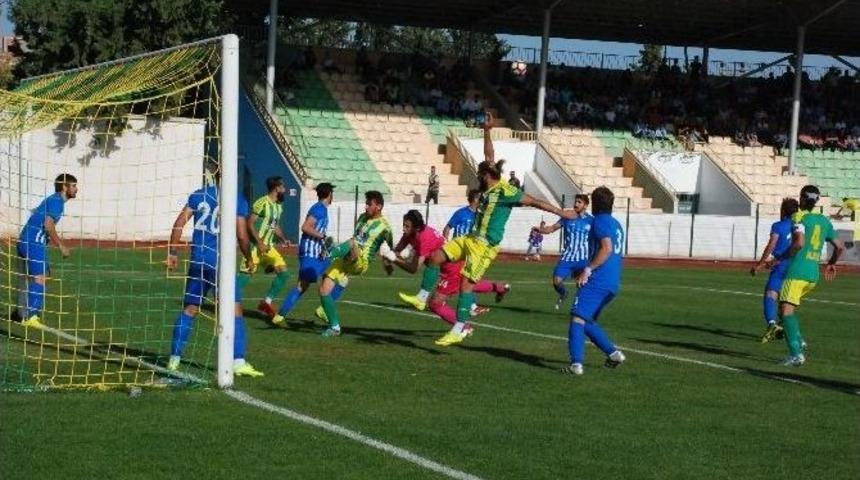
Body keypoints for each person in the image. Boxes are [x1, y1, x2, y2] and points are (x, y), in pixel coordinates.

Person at [418, 117, 578, 346]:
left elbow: (535, 202)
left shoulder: (507, 191)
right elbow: (489, 156)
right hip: (471, 238)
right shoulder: (490, 180)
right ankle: (422, 297)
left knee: (466, 285)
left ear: (487, 176)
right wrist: (487, 131)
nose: (477, 178)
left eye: (480, 175)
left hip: (485, 245)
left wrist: (562, 213)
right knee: (435, 257)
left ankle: (459, 328)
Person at [166, 184, 263, 377]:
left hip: (198, 261)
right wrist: (249, 257)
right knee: (234, 310)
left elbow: (178, 224)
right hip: (222, 263)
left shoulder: (199, 194)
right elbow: (242, 235)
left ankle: (174, 359)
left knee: (190, 309)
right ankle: (238, 361)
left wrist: (173, 252)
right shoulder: (236, 198)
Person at [776, 185, 845, 366]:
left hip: (797, 272)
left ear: (801, 198)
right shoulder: (824, 220)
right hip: (812, 275)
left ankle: (796, 354)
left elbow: (798, 243)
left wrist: (781, 257)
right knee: (785, 309)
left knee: (785, 311)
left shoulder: (798, 217)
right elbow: (840, 247)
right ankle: (800, 341)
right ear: (817, 201)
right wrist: (831, 264)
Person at [564, 187, 626, 376]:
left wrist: (588, 270)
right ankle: (613, 354)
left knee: (577, 318)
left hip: (598, 279)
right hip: (613, 281)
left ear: (595, 203)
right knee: (586, 320)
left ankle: (576, 365)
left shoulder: (599, 222)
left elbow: (606, 249)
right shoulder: (616, 224)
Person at [316, 191, 394, 337]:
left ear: (379, 206)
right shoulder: (362, 218)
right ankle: (334, 327)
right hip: (346, 257)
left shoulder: (385, 227)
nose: (366, 207)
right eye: (366, 203)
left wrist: (387, 263)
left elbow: (390, 247)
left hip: (361, 261)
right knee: (323, 290)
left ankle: (329, 252)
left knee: (352, 243)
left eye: (369, 204)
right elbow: (356, 237)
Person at [271, 183, 345, 327]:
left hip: (317, 255)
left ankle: (323, 310)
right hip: (310, 255)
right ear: (330, 194)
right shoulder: (318, 209)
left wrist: (324, 246)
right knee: (301, 286)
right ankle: (279, 316)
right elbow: (305, 227)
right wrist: (322, 236)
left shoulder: (321, 209)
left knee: (342, 277)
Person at [16, 173, 77, 328]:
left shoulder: (53, 199)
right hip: (33, 242)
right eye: (74, 186)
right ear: (64, 187)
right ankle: (31, 316)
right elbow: (48, 225)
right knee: (39, 278)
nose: (77, 189)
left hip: (27, 241)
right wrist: (61, 246)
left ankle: (21, 313)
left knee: (36, 276)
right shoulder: (57, 202)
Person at [750, 198, 798, 342]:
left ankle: (772, 324)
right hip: (796, 266)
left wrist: (760, 264)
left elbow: (772, 245)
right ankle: (792, 334)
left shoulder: (778, 226)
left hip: (781, 265)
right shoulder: (799, 226)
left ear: (783, 210)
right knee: (787, 301)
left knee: (771, 293)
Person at [533, 194, 592, 310]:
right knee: (556, 281)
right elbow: (552, 228)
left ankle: (578, 306)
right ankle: (564, 293)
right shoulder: (567, 218)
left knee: (581, 284)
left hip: (583, 259)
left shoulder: (591, 221)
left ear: (585, 205)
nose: (576, 204)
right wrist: (541, 230)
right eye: (575, 202)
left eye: (579, 202)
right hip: (567, 257)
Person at [250, 176, 292, 318]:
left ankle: (266, 302)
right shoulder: (262, 202)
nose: (285, 190)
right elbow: (249, 223)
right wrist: (259, 242)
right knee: (244, 276)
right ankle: (225, 301)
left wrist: (284, 239)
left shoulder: (278, 206)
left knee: (284, 273)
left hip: (269, 247)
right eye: (283, 187)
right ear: (276, 188)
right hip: (255, 246)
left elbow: (274, 227)